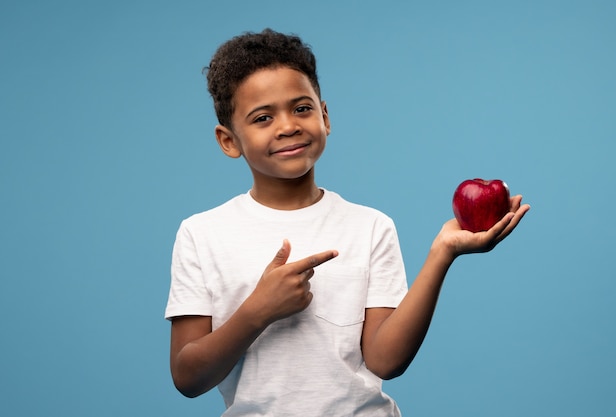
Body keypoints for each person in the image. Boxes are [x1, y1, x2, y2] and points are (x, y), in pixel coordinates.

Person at [165, 28, 530, 416]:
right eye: (263, 117)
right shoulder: (202, 233)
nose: (288, 125)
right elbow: (188, 378)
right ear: (229, 141)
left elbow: (385, 361)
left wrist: (443, 253)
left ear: (325, 116)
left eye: (302, 108)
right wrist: (258, 310)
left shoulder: (371, 226)